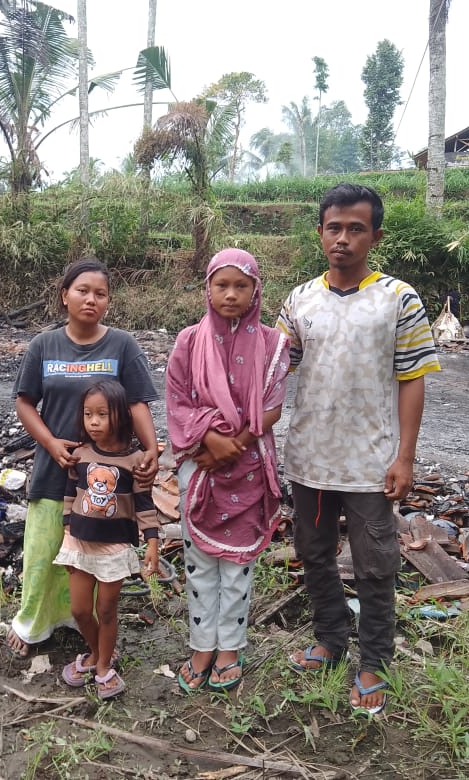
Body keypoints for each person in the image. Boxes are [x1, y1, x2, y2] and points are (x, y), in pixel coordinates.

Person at [276, 183, 441, 715]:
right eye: (333, 228)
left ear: (375, 235)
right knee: (315, 554)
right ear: (320, 232)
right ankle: (330, 638)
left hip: (371, 462)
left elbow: (413, 378)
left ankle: (374, 660)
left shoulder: (398, 298)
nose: (342, 239)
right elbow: (277, 369)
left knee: (375, 565)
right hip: (310, 458)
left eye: (355, 229)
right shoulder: (300, 300)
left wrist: (405, 456)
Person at [6, 258, 159, 657]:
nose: (91, 299)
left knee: (94, 554)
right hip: (54, 470)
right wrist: (52, 443)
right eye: (82, 291)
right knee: (43, 553)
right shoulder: (44, 345)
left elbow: (139, 402)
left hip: (106, 477)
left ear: (108, 301)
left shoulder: (122, 345)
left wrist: (151, 449)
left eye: (100, 293)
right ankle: (33, 625)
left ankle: (84, 624)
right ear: (64, 296)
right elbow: (24, 403)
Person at [166, 248, 289, 693]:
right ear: (208, 289)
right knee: (199, 562)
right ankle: (202, 646)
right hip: (201, 466)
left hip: (249, 465)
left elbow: (273, 406)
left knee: (238, 566)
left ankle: (230, 648)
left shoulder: (275, 345)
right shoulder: (188, 341)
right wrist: (209, 441)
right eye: (222, 285)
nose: (231, 295)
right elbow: (178, 402)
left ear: (256, 290)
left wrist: (234, 444)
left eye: (241, 286)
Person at [55, 379, 160, 699]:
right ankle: (98, 651)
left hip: (114, 547)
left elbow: (144, 504)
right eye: (88, 415)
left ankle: (101, 666)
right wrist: (67, 528)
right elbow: (70, 493)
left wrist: (152, 543)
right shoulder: (81, 453)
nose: (94, 422)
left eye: (102, 414)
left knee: (107, 608)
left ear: (120, 417)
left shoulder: (136, 460)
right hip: (78, 543)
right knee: (81, 610)